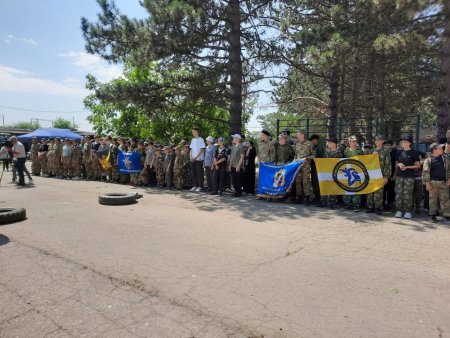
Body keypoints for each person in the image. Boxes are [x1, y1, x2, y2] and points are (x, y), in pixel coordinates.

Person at [422, 142, 450, 223]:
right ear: (434, 150)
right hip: (432, 183)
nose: (442, 149)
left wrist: (449, 179)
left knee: (445, 199)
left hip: (444, 182)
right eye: (440, 148)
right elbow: (425, 172)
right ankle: (433, 215)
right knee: (432, 200)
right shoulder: (428, 160)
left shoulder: (445, 158)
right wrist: (427, 183)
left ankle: (447, 216)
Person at [394, 135, 421, 219]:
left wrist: (407, 167)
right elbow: (396, 163)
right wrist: (399, 164)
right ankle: (399, 210)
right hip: (399, 176)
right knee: (398, 193)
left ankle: (408, 211)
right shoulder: (399, 152)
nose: (402, 143)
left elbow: (418, 166)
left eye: (404, 141)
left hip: (409, 177)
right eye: (402, 141)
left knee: (408, 194)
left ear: (409, 143)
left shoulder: (414, 153)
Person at [366, 135, 391, 215]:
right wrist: (371, 156)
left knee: (379, 191)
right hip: (371, 174)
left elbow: (388, 164)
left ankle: (378, 207)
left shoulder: (385, 151)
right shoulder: (371, 150)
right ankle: (370, 206)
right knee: (370, 191)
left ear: (382, 141)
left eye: (379, 140)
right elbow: (367, 162)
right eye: (376, 140)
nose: (377, 142)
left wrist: (386, 176)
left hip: (380, 174)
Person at [342, 135, 364, 212]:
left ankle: (356, 205)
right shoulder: (346, 151)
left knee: (357, 188)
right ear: (349, 142)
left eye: (355, 141)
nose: (353, 142)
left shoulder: (360, 151)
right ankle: (347, 204)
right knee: (347, 186)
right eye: (352, 141)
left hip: (357, 172)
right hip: (348, 171)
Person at [294, 130, 315, 205]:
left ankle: (307, 198)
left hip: (306, 166)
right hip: (298, 166)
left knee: (305, 182)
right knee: (298, 182)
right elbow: (296, 155)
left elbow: (314, 155)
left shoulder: (309, 144)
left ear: (302, 135)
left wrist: (307, 158)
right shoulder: (296, 144)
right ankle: (299, 197)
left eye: (298, 135)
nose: (297, 136)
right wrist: (295, 160)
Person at [320, 138, 342, 209]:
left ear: (334, 144)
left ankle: (332, 202)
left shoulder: (338, 153)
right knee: (325, 185)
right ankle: (324, 201)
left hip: (334, 172)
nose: (328, 144)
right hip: (326, 172)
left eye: (329, 143)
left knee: (333, 186)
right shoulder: (326, 152)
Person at [189, 127, 206, 192]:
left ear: (197, 131)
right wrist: (191, 157)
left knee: (199, 173)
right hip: (192, 159)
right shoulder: (192, 140)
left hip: (199, 159)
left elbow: (202, 150)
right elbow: (191, 149)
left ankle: (200, 186)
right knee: (193, 172)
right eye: (192, 131)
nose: (192, 133)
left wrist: (195, 157)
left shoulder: (201, 139)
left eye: (193, 131)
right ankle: (195, 185)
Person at [383, 140, 397, 210]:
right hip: (383, 176)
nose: (386, 147)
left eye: (388, 145)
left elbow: (396, 165)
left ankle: (390, 204)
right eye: (385, 145)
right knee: (383, 190)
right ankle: (382, 204)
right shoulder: (382, 153)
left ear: (392, 146)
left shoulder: (396, 153)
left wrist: (394, 175)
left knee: (391, 191)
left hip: (392, 176)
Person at [310, 134, 324, 204]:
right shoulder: (312, 147)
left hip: (318, 167)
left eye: (313, 140)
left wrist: (314, 157)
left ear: (316, 140)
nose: (312, 141)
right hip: (313, 166)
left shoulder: (320, 147)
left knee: (317, 182)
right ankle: (316, 197)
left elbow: (321, 156)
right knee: (313, 182)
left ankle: (319, 198)